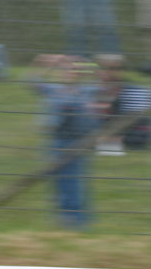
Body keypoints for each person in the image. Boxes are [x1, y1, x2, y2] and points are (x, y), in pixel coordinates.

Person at [32, 56, 104, 227]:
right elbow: (33, 81)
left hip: (79, 142)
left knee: (75, 180)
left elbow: (102, 77)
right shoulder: (53, 89)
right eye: (65, 70)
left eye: (72, 70)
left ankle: (78, 220)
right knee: (59, 181)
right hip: (57, 141)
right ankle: (65, 218)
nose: (69, 73)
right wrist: (47, 65)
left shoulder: (88, 90)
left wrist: (85, 63)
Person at [96, 58, 151, 152]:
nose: (108, 72)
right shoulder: (89, 93)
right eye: (104, 68)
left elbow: (148, 131)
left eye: (114, 69)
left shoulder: (137, 93)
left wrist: (119, 139)